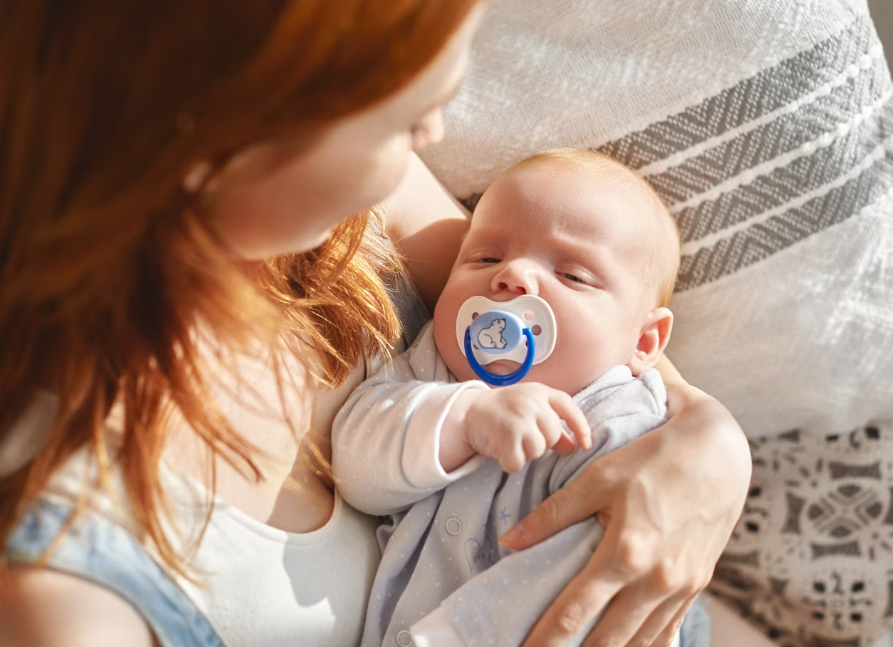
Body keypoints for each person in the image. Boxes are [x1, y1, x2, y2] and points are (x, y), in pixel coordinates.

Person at [0, 3, 751, 647]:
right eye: (406, 119)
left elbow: (587, 328)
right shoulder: (65, 589)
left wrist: (708, 443)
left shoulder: (347, 217)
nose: (433, 139)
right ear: (222, 139)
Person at [334, 148, 694, 647]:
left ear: (644, 343)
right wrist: (463, 417)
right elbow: (355, 471)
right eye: (485, 257)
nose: (514, 277)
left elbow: (610, 559)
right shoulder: (435, 368)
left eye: (572, 276)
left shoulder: (622, 424)